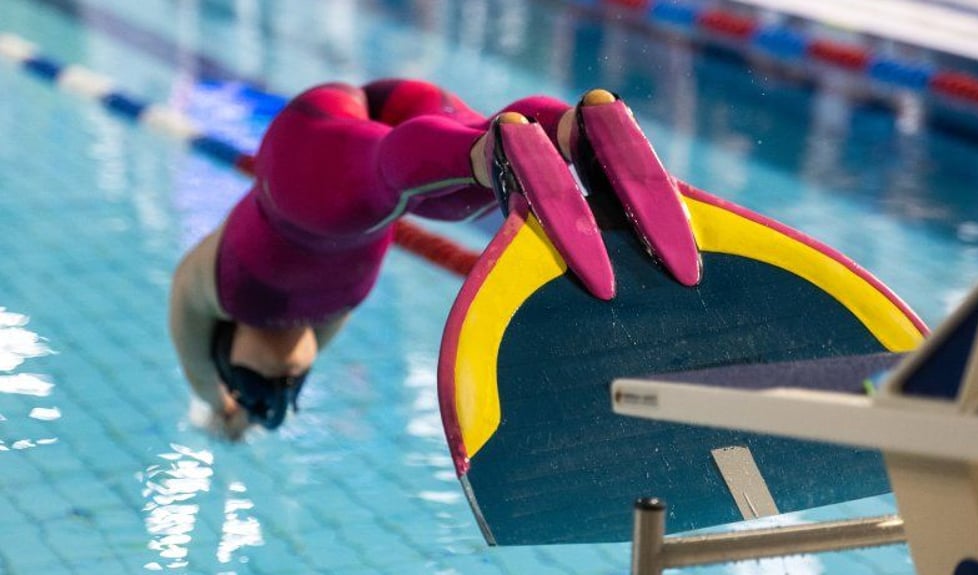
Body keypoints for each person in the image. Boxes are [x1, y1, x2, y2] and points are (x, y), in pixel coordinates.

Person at [169, 78, 700, 437]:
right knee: (451, 197)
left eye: (256, 383)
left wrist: (219, 404)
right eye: (292, 386)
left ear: (226, 350)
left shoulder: (217, 287)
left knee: (380, 183)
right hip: (406, 121)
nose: (283, 380)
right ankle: (572, 128)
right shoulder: (329, 313)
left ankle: (488, 155)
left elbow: (187, 334)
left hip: (304, 159)